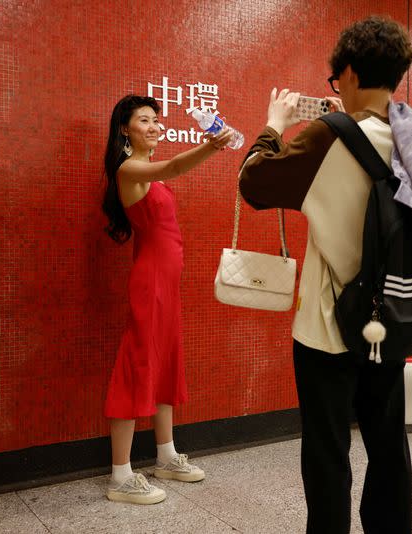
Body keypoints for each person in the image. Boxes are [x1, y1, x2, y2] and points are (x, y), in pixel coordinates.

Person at [238, 16, 412, 534]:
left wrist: (275, 125)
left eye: (337, 80)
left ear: (347, 73)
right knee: (389, 445)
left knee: (328, 452)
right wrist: (342, 123)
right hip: (394, 312)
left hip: (330, 326)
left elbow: (254, 184)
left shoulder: (328, 137)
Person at [100, 95, 232, 504]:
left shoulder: (147, 175)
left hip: (166, 284)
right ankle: (120, 477)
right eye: (145, 120)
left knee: (165, 363)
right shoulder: (129, 169)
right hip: (150, 283)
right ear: (125, 129)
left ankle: (165, 456)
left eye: (157, 119)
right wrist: (211, 146)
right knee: (138, 363)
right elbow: (174, 165)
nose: (155, 125)